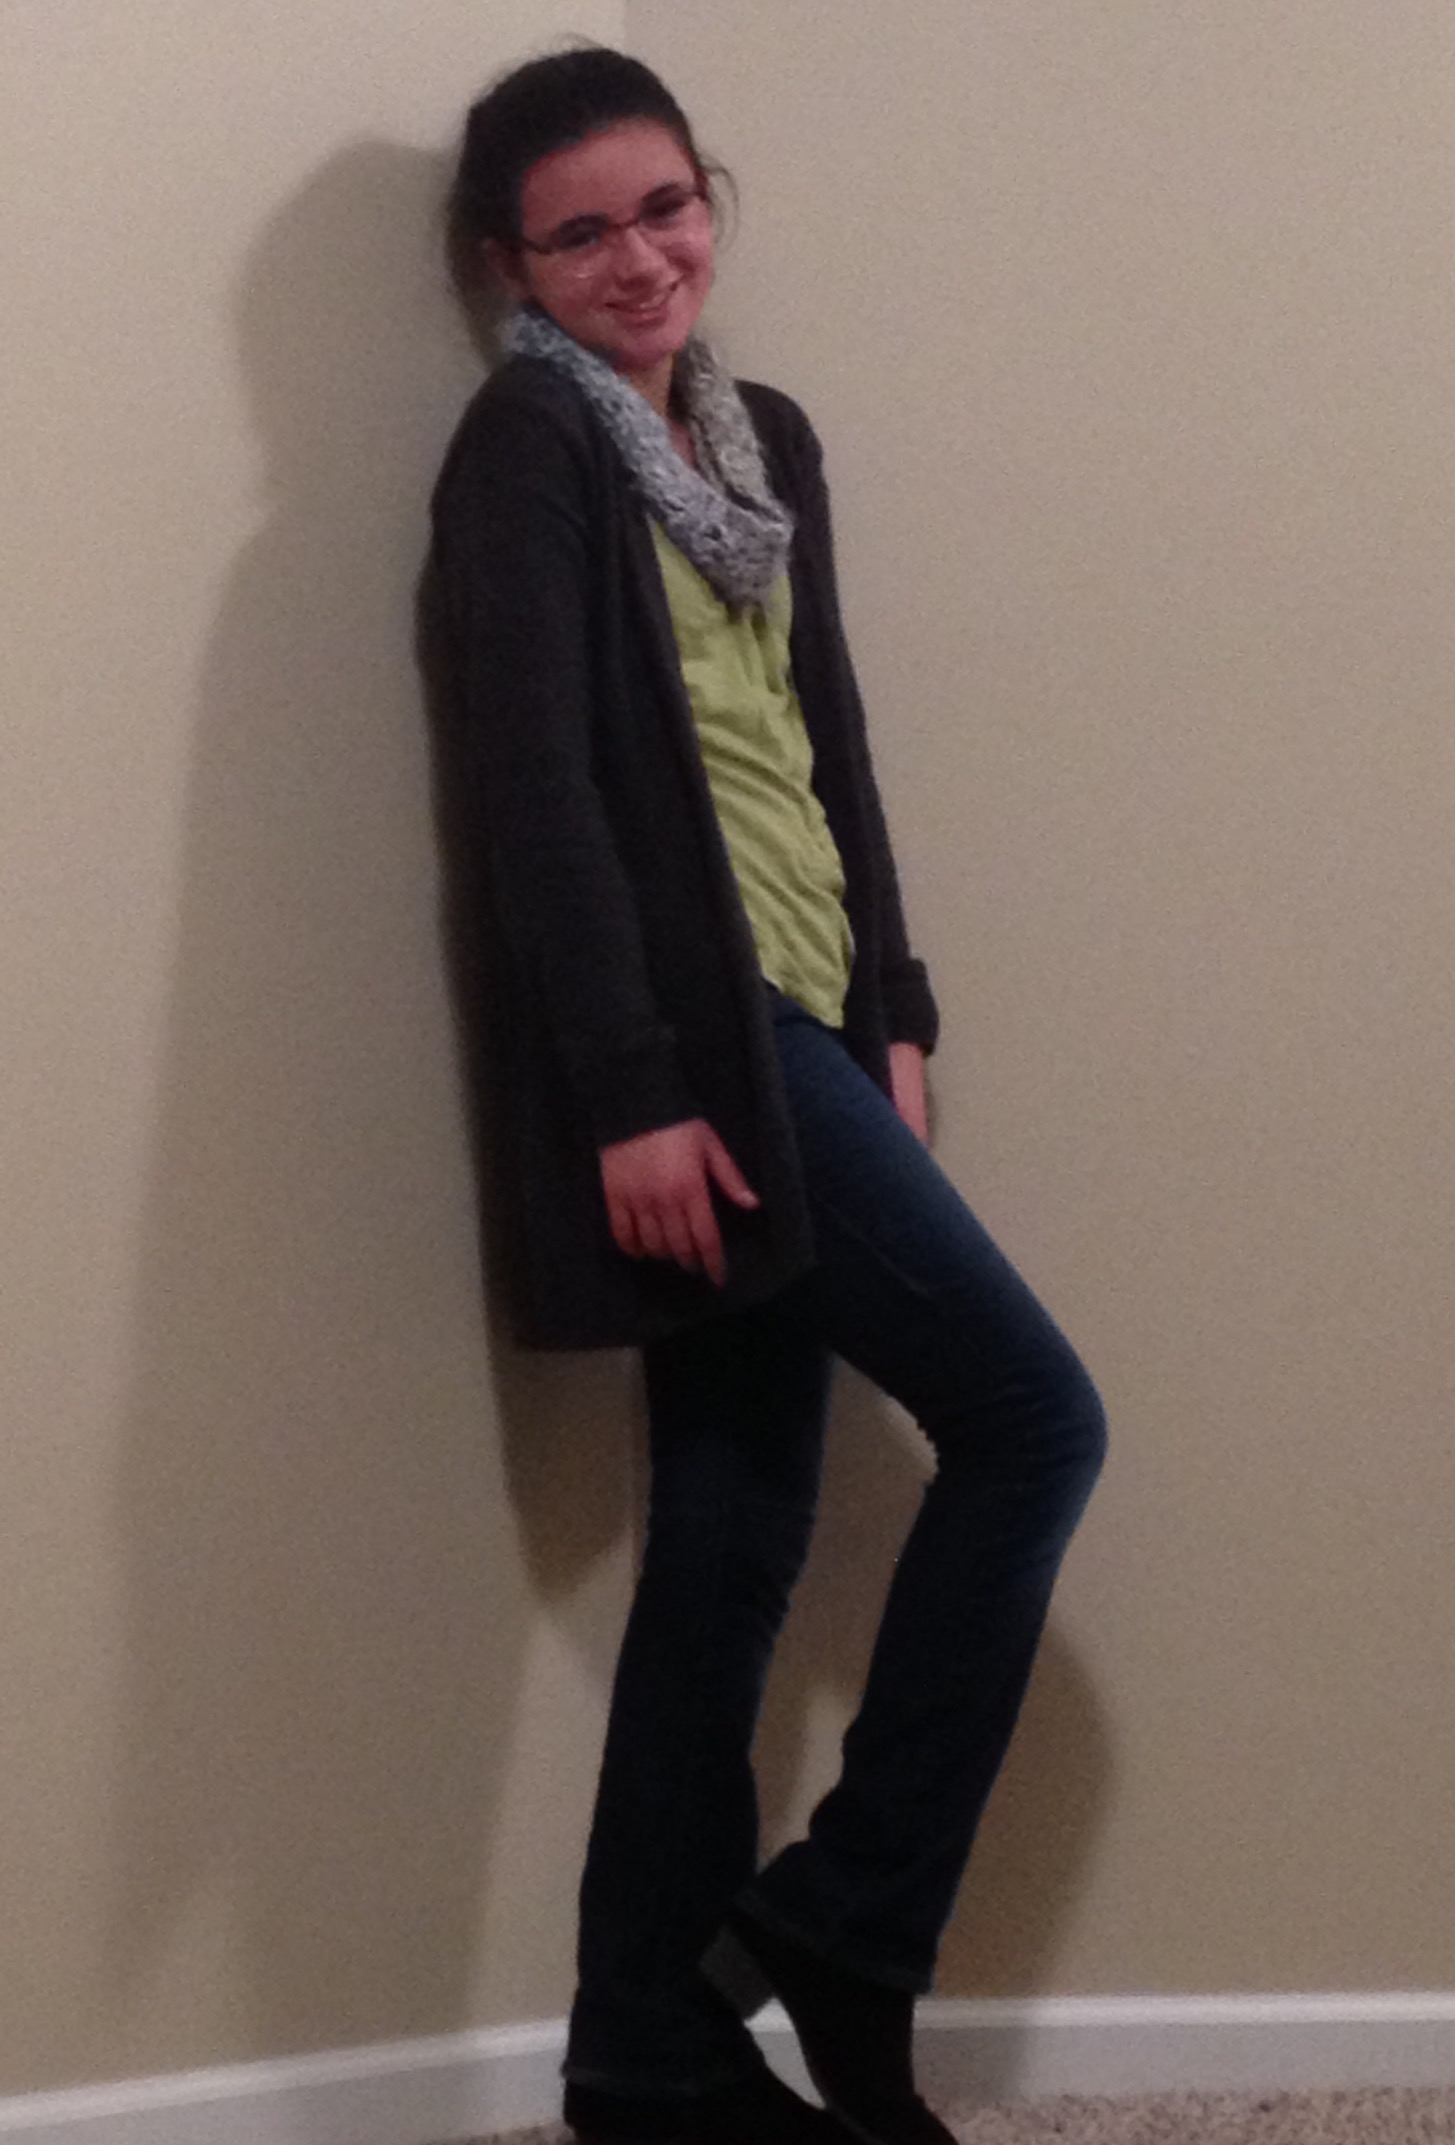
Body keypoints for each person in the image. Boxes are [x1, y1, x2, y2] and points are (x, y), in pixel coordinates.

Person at [425, 45, 1106, 2145]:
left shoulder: (757, 436)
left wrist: (895, 1001)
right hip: (703, 1056)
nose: (642, 257)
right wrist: (631, 1090)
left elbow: (829, 739)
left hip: (814, 1020)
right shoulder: (527, 448)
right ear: (509, 264)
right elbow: (537, 796)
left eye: (666, 205)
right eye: (581, 232)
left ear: (705, 198)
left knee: (728, 1535)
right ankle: (843, 1919)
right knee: (1033, 1420)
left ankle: (645, 2054)